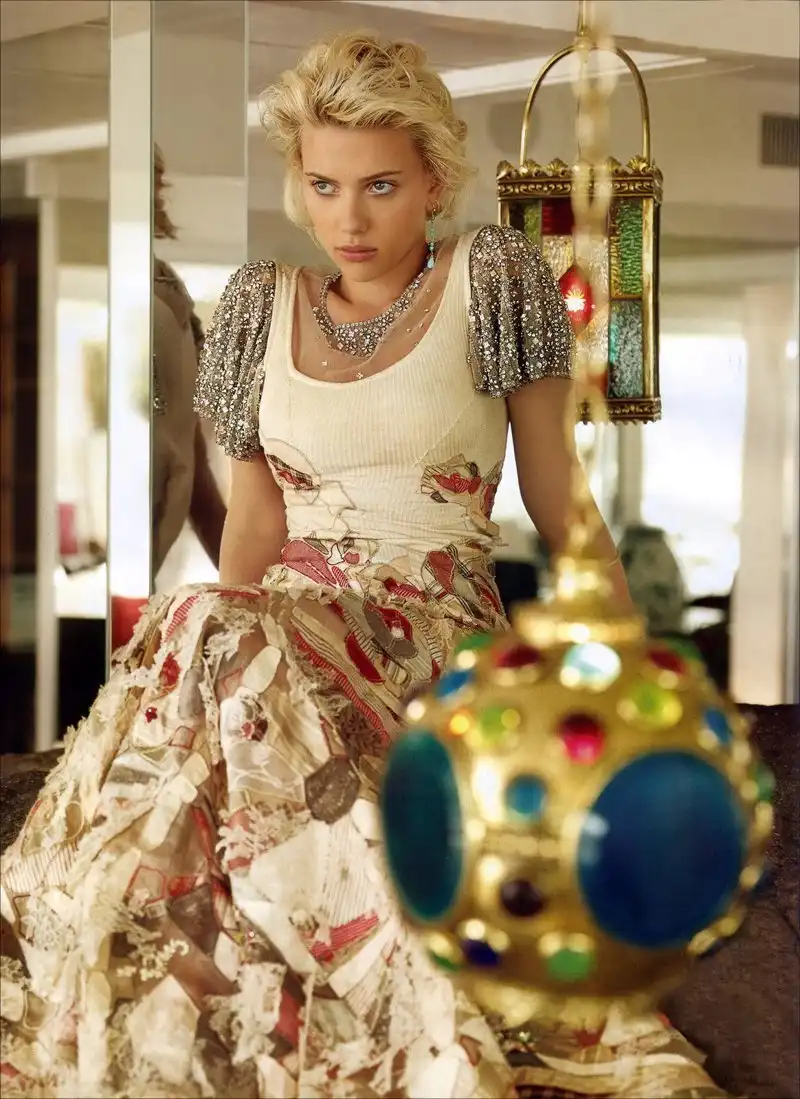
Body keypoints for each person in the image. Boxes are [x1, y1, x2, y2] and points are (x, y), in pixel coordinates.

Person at [0, 32, 726, 1099]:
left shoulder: (493, 275)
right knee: (209, 615)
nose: (349, 217)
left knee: (211, 620)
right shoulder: (257, 305)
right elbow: (253, 524)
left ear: (433, 178)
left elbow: (560, 502)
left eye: (380, 185)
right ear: (298, 183)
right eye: (325, 184)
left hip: (429, 639)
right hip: (278, 643)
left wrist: (628, 680)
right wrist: (221, 641)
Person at [152, 145, 227, 578]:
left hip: (161, 525)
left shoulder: (169, 289)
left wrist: (246, 581)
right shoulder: (140, 290)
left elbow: (194, 462)